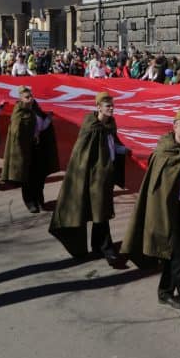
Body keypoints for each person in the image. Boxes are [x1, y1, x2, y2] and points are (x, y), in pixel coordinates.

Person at [123, 110, 180, 325]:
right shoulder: (165, 152)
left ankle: (165, 291)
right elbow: (158, 188)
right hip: (170, 211)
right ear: (174, 126)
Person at [50, 92, 126, 263]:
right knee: (101, 211)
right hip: (94, 177)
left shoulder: (110, 125)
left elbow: (113, 145)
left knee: (102, 210)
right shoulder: (91, 126)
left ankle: (98, 246)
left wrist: (123, 150)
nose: (111, 108)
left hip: (107, 175)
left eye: (112, 105)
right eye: (108, 106)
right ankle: (107, 249)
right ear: (98, 107)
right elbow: (82, 154)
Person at [2, 86, 59, 213]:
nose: (30, 99)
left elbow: (42, 126)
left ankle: (40, 200)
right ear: (21, 99)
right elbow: (16, 132)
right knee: (27, 177)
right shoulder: (19, 112)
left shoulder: (37, 110)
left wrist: (48, 118)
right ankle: (30, 202)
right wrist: (30, 135)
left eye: (31, 96)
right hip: (25, 150)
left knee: (40, 176)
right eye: (27, 97)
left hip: (39, 147)